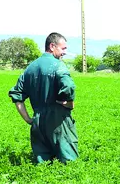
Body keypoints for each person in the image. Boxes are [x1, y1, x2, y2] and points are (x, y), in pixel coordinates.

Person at [8, 32, 79, 164]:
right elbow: (69, 86)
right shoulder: (58, 65)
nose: (65, 52)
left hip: (38, 122)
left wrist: (28, 119)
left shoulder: (30, 68)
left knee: (43, 164)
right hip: (58, 121)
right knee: (69, 163)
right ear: (52, 46)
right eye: (63, 48)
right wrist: (67, 102)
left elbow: (17, 95)